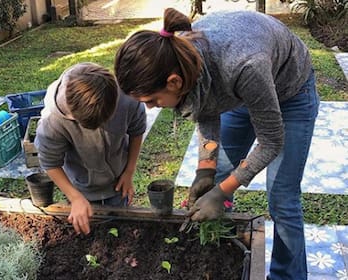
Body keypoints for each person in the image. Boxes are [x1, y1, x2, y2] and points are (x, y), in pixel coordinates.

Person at [114, 8, 319, 280]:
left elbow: (270, 141)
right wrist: (205, 169)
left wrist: (221, 193)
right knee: (220, 175)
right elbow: (205, 104)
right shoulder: (181, 53)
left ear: (173, 82)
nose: (151, 108)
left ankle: (287, 277)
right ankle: (219, 258)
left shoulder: (244, 65)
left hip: (290, 92)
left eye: (151, 100)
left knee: (282, 198)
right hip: (241, 89)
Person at [34, 62, 146, 235]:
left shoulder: (127, 99)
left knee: (119, 229)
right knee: (86, 229)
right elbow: (50, 162)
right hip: (79, 186)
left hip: (118, 182)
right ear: (72, 114)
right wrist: (75, 197)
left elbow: (137, 131)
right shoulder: (53, 121)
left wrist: (129, 171)